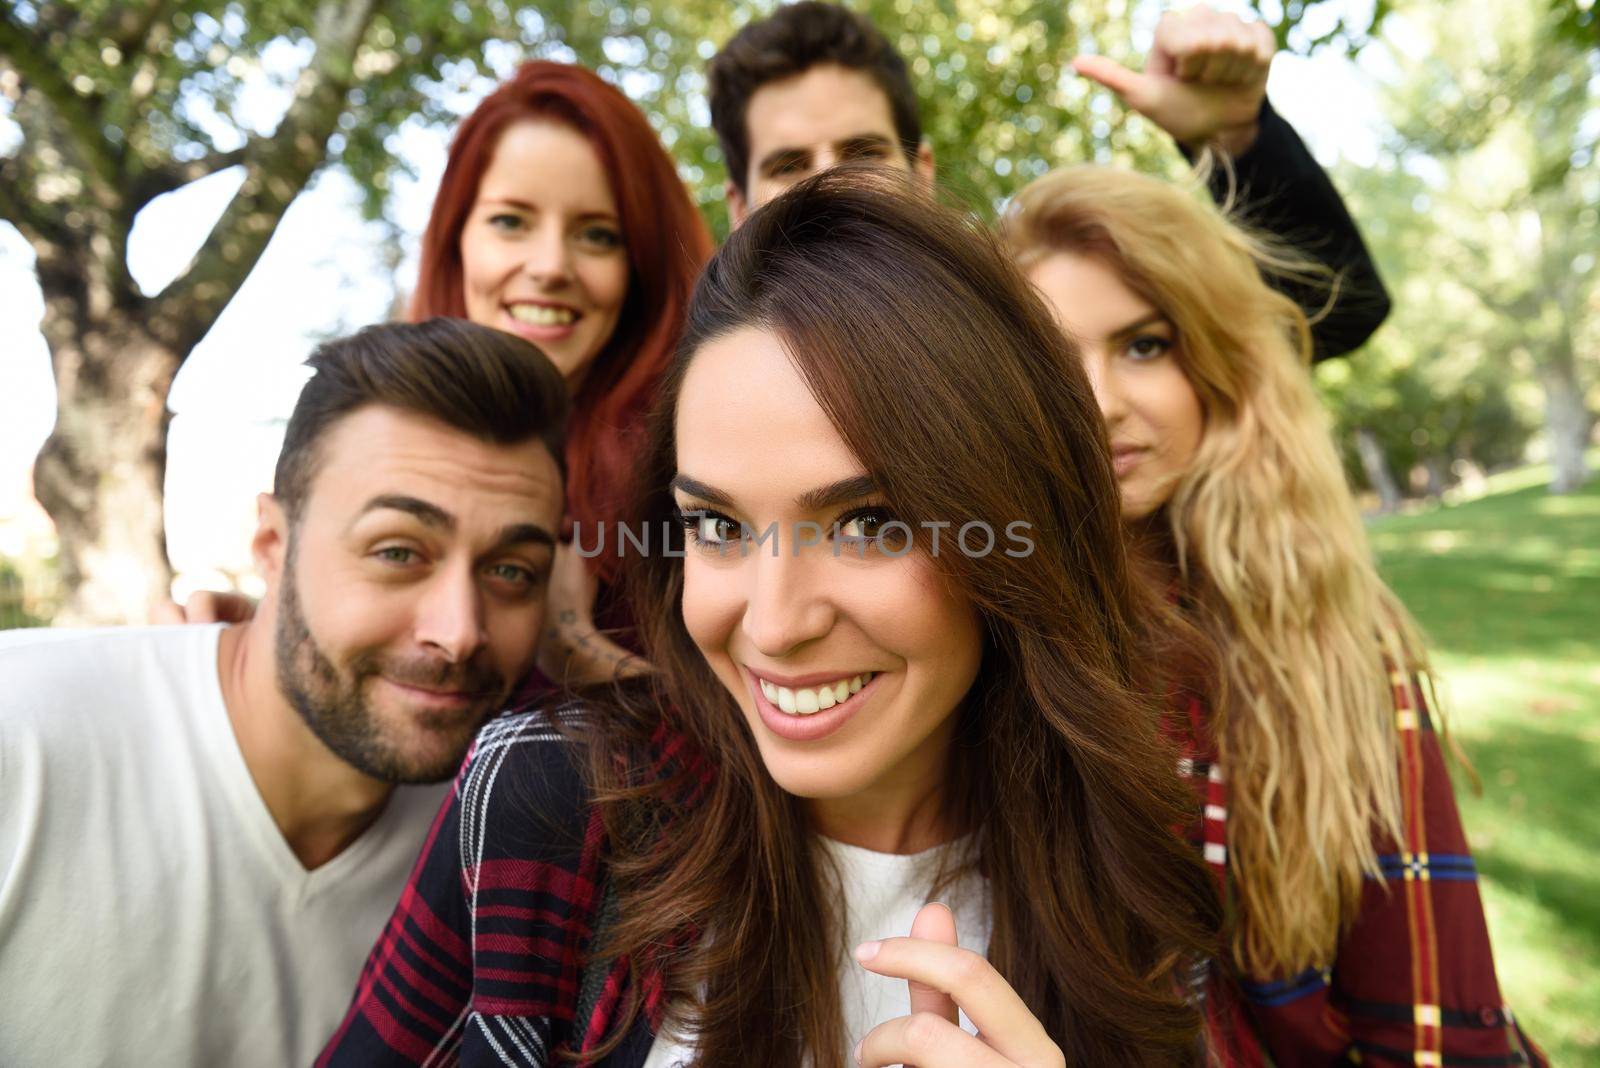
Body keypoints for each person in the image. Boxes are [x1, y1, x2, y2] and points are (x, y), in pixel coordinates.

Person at [320, 172, 1223, 1066]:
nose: (776, 623)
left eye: (871, 524)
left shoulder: (1133, 858)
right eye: (718, 526)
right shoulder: (548, 802)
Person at [1002, 165, 1546, 1066]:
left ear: (1217, 364)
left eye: (1144, 345)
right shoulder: (989, 625)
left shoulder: (1333, 642)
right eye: (1054, 361)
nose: (1099, 401)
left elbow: (1427, 1023)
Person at [0, 319, 568, 1067]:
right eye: (397, 552)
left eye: (511, 571)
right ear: (271, 544)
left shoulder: (506, 846)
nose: (459, 631)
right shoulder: (23, 738)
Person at [168, 61, 712, 687]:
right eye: (510, 221)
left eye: (598, 235)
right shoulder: (365, 432)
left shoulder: (691, 483)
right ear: (456, 241)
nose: (550, 265)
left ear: (641, 267)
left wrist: (575, 652)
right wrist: (275, 631)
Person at [708, 0, 1390, 362]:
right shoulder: (697, 391)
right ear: (739, 205)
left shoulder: (1028, 318)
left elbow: (1336, 310)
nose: (834, 186)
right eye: (789, 165)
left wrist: (1234, 137)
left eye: (863, 152)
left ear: (921, 172)